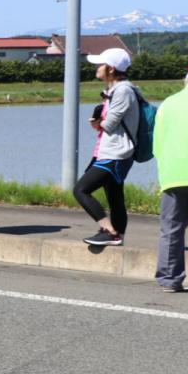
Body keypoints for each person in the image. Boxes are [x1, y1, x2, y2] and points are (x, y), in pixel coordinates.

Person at [74, 48, 140, 246]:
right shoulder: (116, 90)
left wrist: (98, 121)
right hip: (113, 151)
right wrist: (100, 121)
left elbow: (109, 124)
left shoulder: (123, 91)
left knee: (81, 190)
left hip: (116, 153)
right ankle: (117, 236)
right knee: (114, 197)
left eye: (100, 64)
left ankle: (109, 231)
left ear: (111, 69)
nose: (96, 67)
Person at [154, 64, 188, 292]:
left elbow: (157, 144)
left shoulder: (168, 103)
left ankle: (170, 279)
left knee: (171, 228)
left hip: (173, 175)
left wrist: (167, 170)